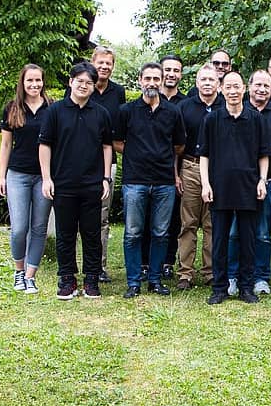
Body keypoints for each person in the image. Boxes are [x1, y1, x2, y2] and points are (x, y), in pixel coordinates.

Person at [39, 61, 113, 299]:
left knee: (92, 234)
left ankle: (91, 279)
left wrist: (105, 178)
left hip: (93, 184)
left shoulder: (101, 114)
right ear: (71, 82)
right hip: (63, 184)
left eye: (89, 82)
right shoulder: (55, 111)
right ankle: (67, 279)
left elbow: (107, 146)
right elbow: (44, 145)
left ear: (93, 86)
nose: (84, 86)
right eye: (79, 81)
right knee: (65, 234)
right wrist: (47, 178)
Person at [114, 62, 186, 298]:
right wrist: (137, 154)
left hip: (164, 181)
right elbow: (117, 142)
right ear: (140, 80)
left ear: (162, 81)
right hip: (135, 181)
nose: (152, 83)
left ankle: (155, 279)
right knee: (133, 233)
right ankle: (134, 282)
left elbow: (179, 145)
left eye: (156, 78)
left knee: (161, 233)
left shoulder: (173, 112)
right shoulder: (126, 111)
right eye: (148, 78)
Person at [199, 70, 269, 305]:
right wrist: (206, 184)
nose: (232, 91)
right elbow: (204, 155)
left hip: (249, 188)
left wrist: (262, 180)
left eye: (236, 86)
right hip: (219, 188)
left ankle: (246, 287)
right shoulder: (212, 120)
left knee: (248, 240)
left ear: (244, 89)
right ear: (221, 89)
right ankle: (219, 288)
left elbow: (263, 154)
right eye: (228, 87)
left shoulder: (256, 119)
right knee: (219, 240)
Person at [228, 69, 271, 295]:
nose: (262, 89)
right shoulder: (237, 111)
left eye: (267, 85)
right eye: (258, 85)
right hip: (238, 185)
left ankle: (260, 278)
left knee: (263, 234)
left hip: (269, 182)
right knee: (234, 232)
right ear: (249, 87)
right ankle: (232, 276)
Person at [0, 64, 53, 294]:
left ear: (43, 82)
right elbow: (6, 144)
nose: (34, 84)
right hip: (18, 175)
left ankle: (30, 276)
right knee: (19, 228)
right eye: (30, 80)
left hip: (44, 177)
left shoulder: (52, 108)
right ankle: (19, 271)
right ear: (22, 82)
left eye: (38, 80)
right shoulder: (12, 108)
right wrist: (2, 177)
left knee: (39, 228)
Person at [176, 63, 224, 290]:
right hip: (191, 167)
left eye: (211, 79)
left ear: (218, 84)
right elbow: (176, 144)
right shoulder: (184, 108)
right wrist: (176, 174)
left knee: (212, 224)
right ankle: (185, 273)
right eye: (203, 79)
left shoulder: (226, 106)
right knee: (188, 223)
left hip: (218, 170)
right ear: (196, 83)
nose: (207, 83)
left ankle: (210, 272)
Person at [88, 45, 126, 283]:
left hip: (107, 163)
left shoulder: (118, 92)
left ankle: (99, 266)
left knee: (102, 217)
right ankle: (76, 266)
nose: (104, 67)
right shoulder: (81, 86)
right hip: (79, 162)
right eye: (100, 62)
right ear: (92, 62)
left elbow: (119, 129)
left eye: (108, 63)